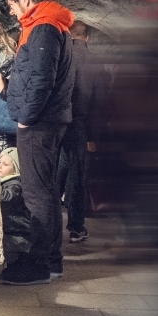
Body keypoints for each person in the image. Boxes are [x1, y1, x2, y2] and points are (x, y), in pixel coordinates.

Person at [0, 0, 75, 285]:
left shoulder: (42, 29)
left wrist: (25, 118)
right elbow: (31, 78)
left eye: (12, 5)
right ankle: (51, 260)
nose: (12, 12)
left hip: (39, 124)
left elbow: (41, 79)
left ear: (25, 1)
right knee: (47, 192)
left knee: (37, 195)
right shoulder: (45, 26)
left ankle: (39, 264)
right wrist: (7, 92)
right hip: (47, 121)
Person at [61, 18, 108, 245]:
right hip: (79, 125)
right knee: (77, 176)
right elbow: (99, 104)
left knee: (53, 176)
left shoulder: (60, 56)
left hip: (56, 123)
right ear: (86, 38)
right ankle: (76, 228)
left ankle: (44, 228)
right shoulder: (95, 62)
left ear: (69, 35)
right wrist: (93, 136)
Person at [0, 147, 35, 265]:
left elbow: (8, 196)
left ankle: (17, 265)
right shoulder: (1, 180)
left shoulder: (16, 184)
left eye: (5, 164)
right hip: (9, 228)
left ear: (16, 169)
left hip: (17, 230)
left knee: (14, 255)